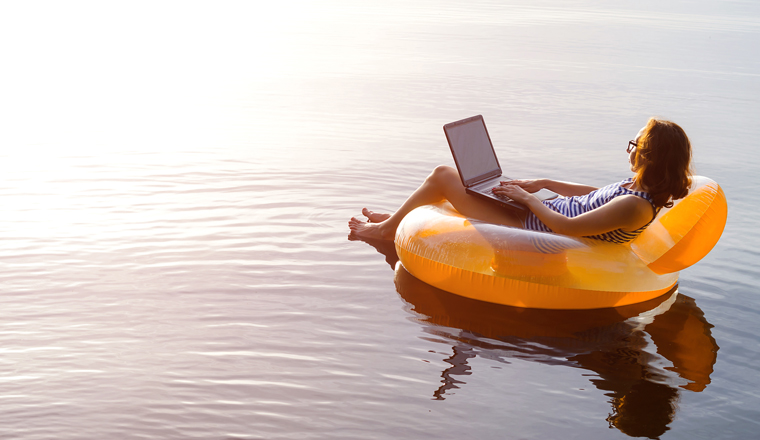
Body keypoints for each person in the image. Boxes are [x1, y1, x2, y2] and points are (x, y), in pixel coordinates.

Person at [349, 118, 693, 243]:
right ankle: (395, 218)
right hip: (536, 210)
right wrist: (542, 183)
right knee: (468, 181)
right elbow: (595, 195)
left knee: (443, 175)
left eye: (634, 145)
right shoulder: (637, 190)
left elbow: (567, 229)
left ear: (648, 156)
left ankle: (385, 229)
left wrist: (527, 200)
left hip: (530, 225)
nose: (629, 150)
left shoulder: (636, 207)